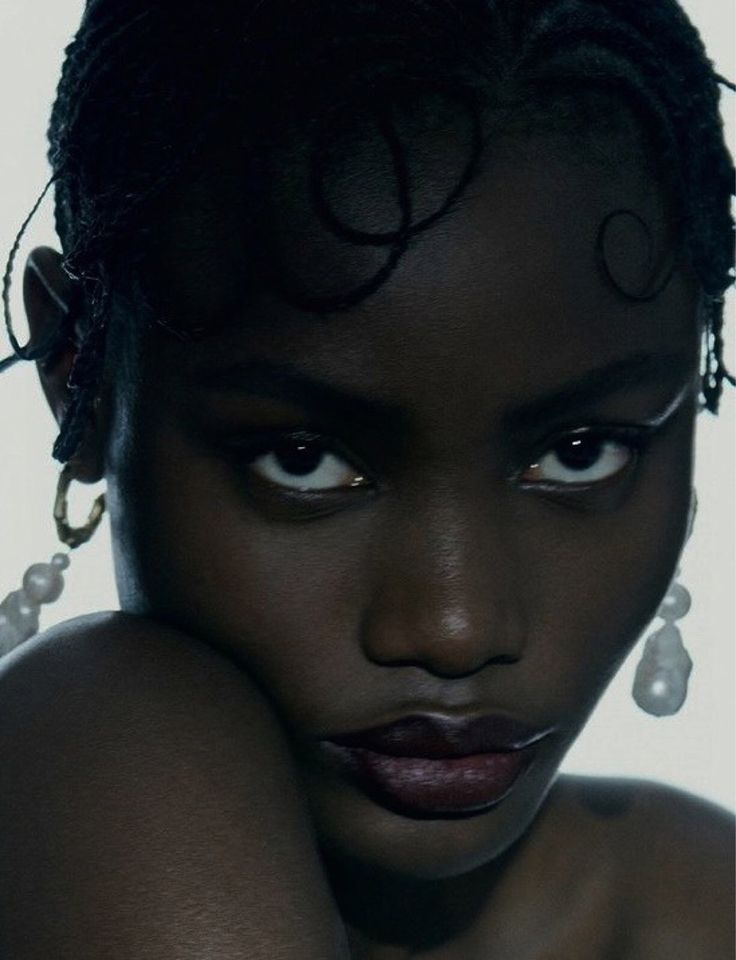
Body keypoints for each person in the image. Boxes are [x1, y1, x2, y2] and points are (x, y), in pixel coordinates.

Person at [0, 0, 733, 956]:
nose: (456, 626)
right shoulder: (93, 745)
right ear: (78, 370)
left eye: (581, 451)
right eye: (303, 460)